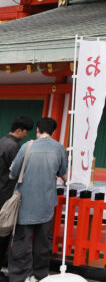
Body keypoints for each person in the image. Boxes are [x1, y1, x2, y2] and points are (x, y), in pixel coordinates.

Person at [7, 117, 67, 282]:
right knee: (43, 243)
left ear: (38, 130)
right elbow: (63, 173)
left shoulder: (27, 146)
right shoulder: (59, 148)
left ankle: (20, 277)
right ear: (53, 132)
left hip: (25, 203)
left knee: (21, 242)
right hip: (47, 203)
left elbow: (13, 173)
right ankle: (40, 276)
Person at [0, 117, 34, 276]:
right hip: (6, 193)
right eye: (25, 132)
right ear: (19, 130)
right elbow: (18, 172)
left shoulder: (2, 142)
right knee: (3, 232)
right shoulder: (14, 147)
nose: (25, 136)